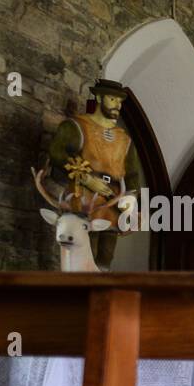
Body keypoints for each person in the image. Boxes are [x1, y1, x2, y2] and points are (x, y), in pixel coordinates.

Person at [46, 79, 142, 270]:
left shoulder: (124, 139)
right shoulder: (76, 126)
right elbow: (58, 153)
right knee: (83, 250)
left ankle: (100, 292)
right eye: (113, 99)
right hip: (84, 199)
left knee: (106, 256)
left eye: (120, 101)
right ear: (99, 97)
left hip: (113, 200)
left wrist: (131, 198)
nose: (117, 105)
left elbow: (131, 172)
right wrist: (87, 179)